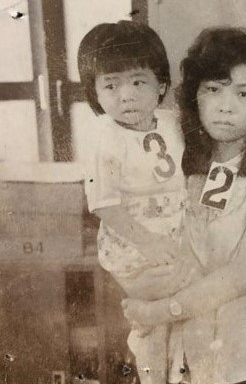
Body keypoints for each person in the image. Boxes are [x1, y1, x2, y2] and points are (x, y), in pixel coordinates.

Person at [122, 27, 246, 384]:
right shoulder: (171, 160)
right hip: (165, 359)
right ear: (194, 97)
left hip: (235, 363)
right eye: (213, 90)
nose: (226, 106)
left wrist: (161, 310)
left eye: (243, 93)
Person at [79, 20, 203, 384]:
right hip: (136, 248)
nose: (126, 96)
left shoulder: (172, 122)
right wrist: (151, 245)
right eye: (111, 85)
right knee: (156, 319)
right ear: (96, 93)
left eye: (138, 82)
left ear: (161, 84)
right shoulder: (106, 139)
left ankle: (177, 374)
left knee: (182, 316)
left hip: (175, 241)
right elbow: (104, 205)